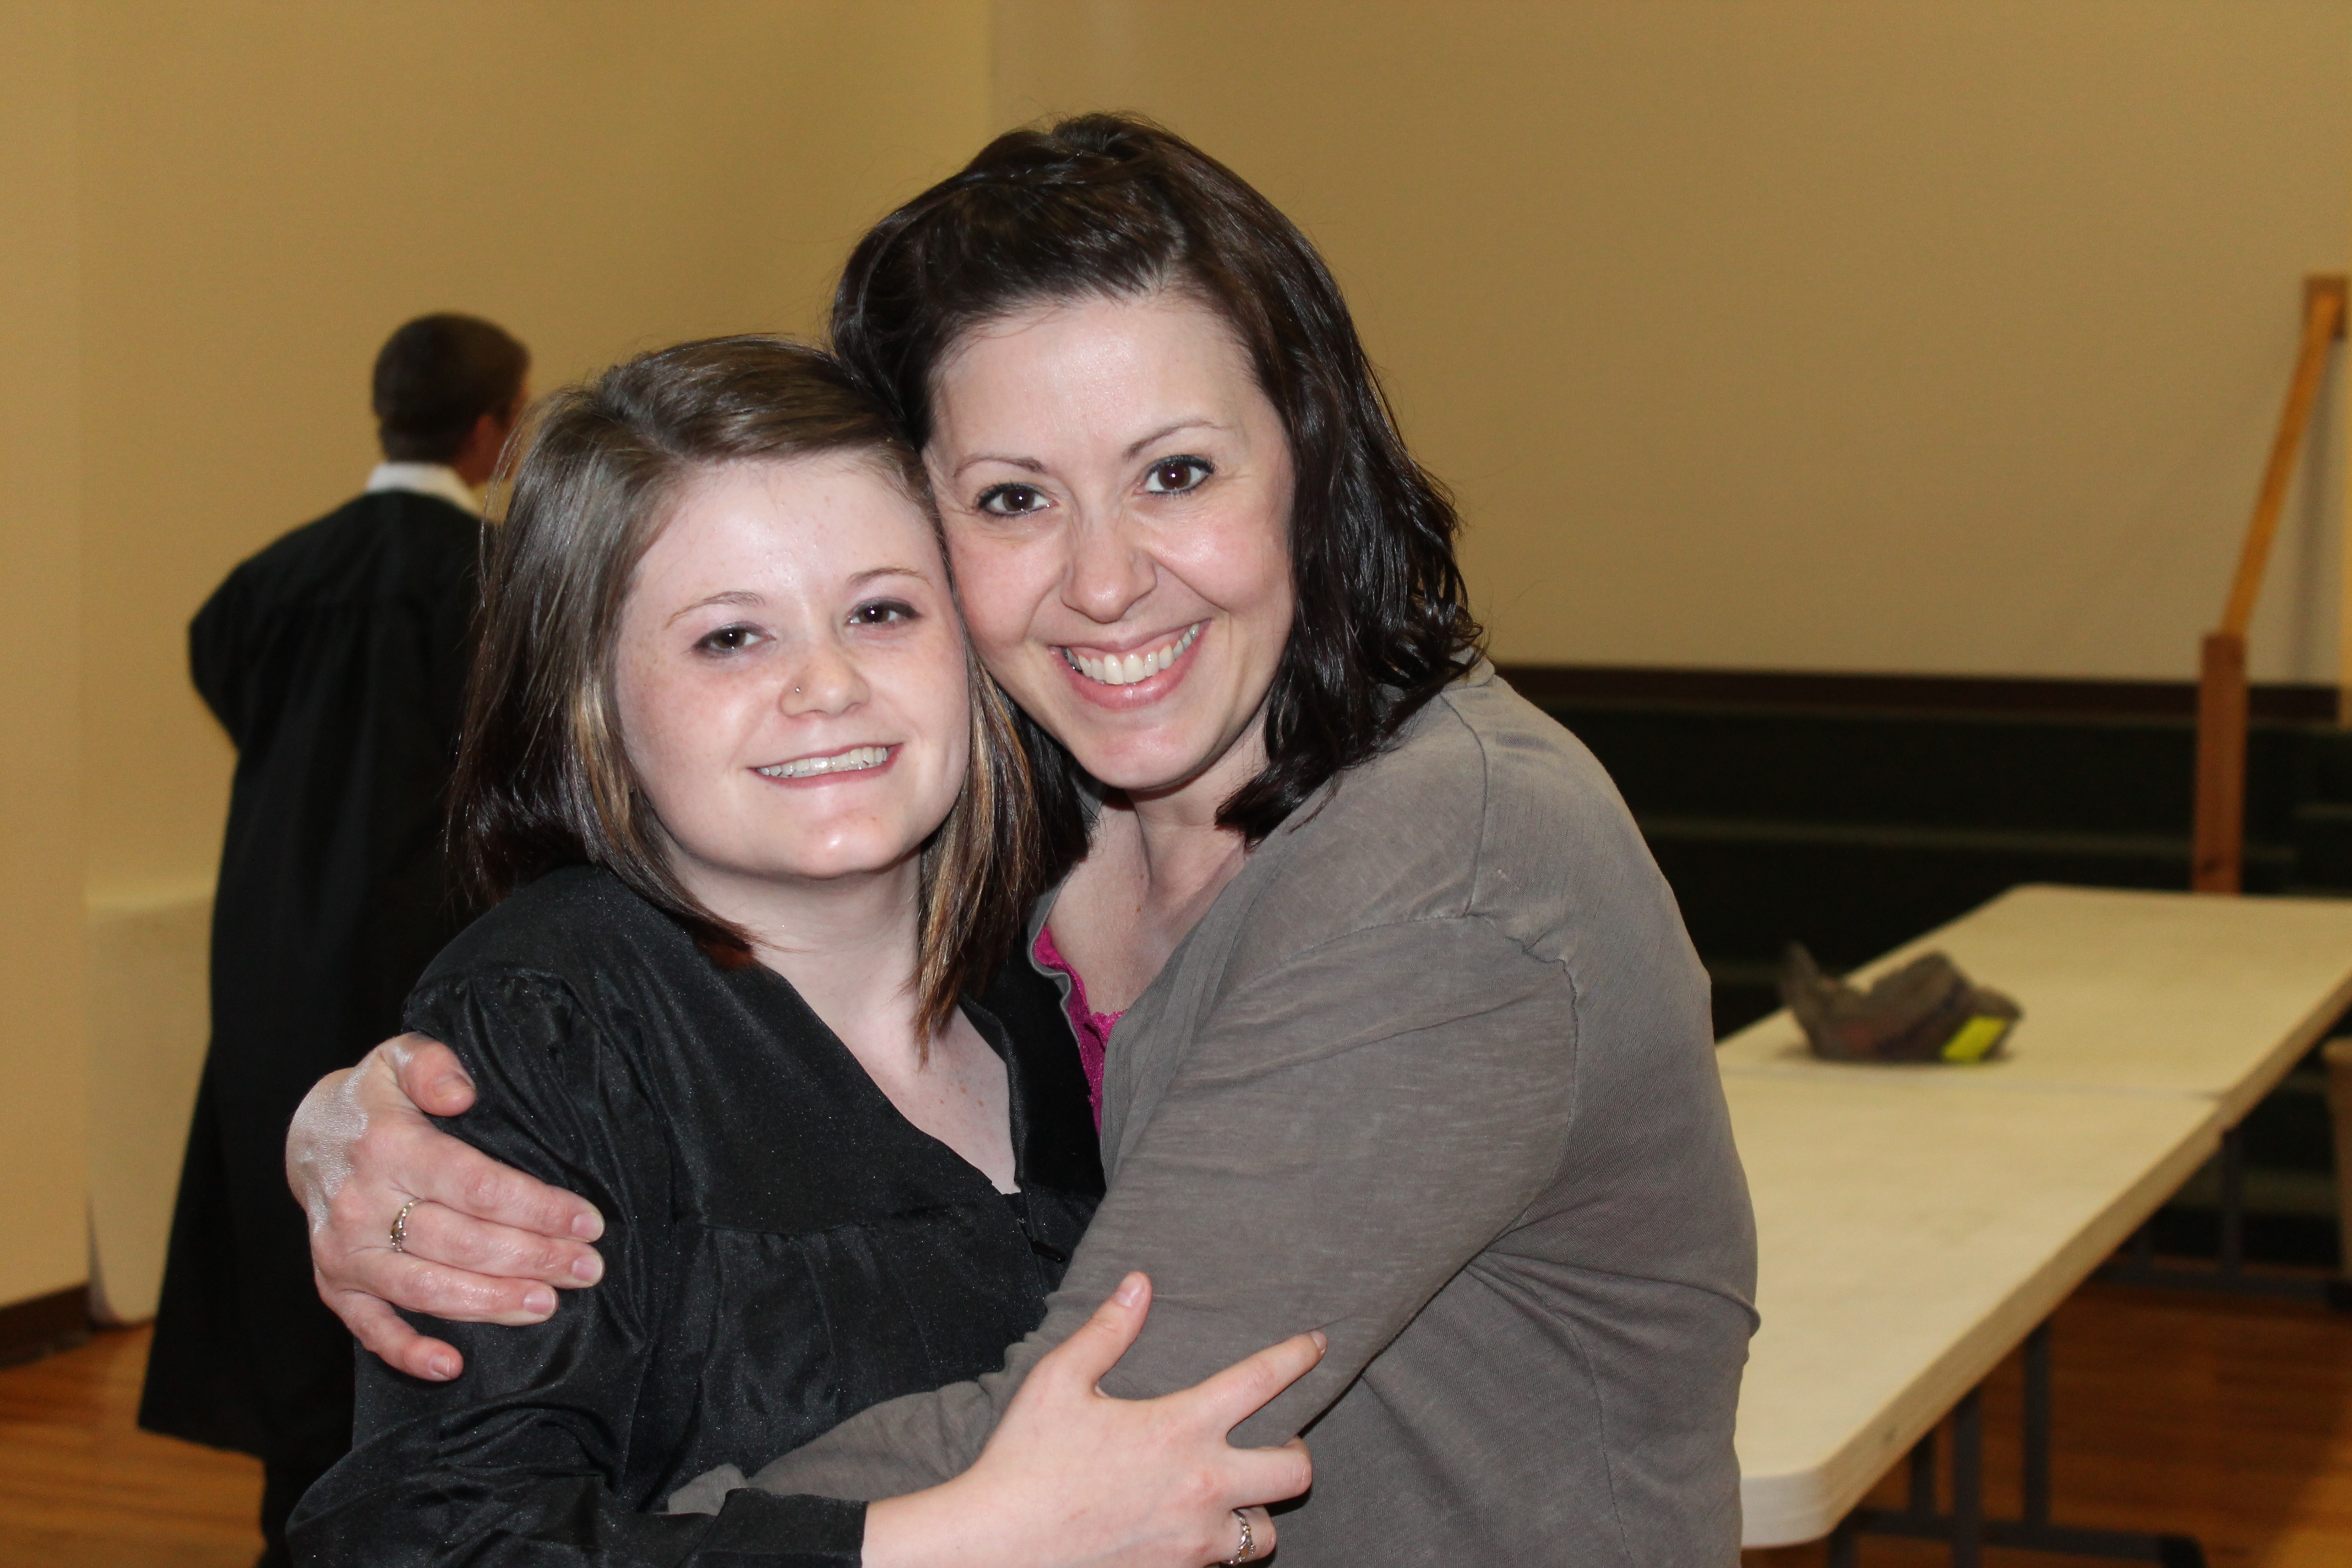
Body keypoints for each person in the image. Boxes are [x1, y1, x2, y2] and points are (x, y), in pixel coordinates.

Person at [288, 116, 1760, 1563]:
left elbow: (1087, 1443)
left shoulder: (1453, 872)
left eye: (1176, 473)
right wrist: (369, 1126)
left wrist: (607, 1544)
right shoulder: (1037, 838)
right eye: (1012, 499)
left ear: (1311, 457)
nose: (1104, 582)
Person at [289, 334, 1316, 1565]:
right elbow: (439, 1540)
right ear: (590, 693)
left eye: (881, 611)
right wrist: (960, 1541)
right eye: (731, 637)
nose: (826, 684)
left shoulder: (1069, 973)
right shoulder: (547, 1034)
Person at [143, 311, 529, 1566]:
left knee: (288, 1233)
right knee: (421, 1237)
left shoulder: (267, 581)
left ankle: (295, 1526)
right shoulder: (499, 578)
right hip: (430, 966)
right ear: (494, 428)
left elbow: (234, 695)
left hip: (273, 959)